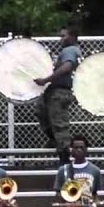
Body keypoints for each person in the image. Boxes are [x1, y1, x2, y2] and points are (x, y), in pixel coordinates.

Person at [36, 26, 81, 163]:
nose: (61, 39)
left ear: (72, 37)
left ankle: (64, 155)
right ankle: (55, 140)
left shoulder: (70, 50)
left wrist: (46, 80)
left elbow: (67, 66)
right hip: (55, 90)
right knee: (41, 111)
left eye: (64, 36)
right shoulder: (68, 50)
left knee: (59, 123)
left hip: (60, 91)